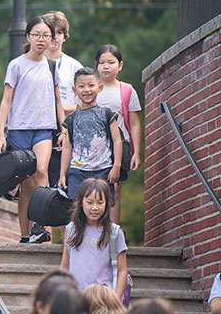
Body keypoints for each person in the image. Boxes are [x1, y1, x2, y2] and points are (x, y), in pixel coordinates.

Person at [0, 15, 65, 243]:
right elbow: (6, 101)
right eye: (36, 35)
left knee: (42, 171)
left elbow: (58, 100)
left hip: (44, 128)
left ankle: (39, 225)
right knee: (26, 183)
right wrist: (0, 134)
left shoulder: (52, 66)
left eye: (46, 35)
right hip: (19, 129)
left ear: (52, 39)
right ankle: (25, 236)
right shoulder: (16, 65)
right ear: (28, 36)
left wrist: (63, 129)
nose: (41, 39)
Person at [58, 67, 123, 202]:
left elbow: (117, 140)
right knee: (76, 207)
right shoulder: (71, 119)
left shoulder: (107, 114)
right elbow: (67, 147)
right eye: (81, 86)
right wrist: (62, 174)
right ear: (74, 90)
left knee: (102, 206)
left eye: (91, 85)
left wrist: (116, 166)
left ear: (100, 87)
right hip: (77, 171)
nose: (86, 90)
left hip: (103, 169)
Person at [95, 44, 142, 224]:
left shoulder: (127, 90)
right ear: (96, 66)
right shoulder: (91, 88)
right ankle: (94, 229)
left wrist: (136, 152)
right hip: (94, 146)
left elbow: (135, 123)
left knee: (114, 188)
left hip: (120, 146)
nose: (106, 66)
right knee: (92, 188)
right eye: (102, 62)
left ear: (120, 65)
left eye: (111, 62)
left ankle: (112, 231)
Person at [60, 178, 128, 300]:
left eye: (100, 202)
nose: (95, 208)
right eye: (90, 202)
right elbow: (65, 265)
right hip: (75, 298)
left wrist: (116, 301)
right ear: (81, 203)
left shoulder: (115, 233)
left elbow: (122, 270)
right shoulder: (71, 230)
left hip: (102, 300)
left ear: (107, 203)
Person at [43, 11, 83, 189]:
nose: (54, 38)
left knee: (66, 178)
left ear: (65, 36)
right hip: (42, 127)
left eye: (59, 33)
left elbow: (85, 102)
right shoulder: (35, 63)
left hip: (68, 130)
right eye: (50, 33)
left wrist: (64, 108)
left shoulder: (74, 66)